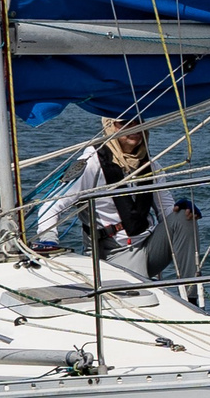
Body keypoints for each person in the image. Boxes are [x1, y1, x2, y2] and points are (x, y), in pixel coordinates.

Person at [37, 118, 200, 287]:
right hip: (112, 253)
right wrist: (48, 239)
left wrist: (181, 212)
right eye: (125, 123)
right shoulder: (92, 164)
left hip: (148, 245)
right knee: (140, 297)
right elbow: (51, 205)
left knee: (184, 216)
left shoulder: (151, 164)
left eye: (139, 122)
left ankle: (192, 295)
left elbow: (166, 211)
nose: (135, 128)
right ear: (109, 126)